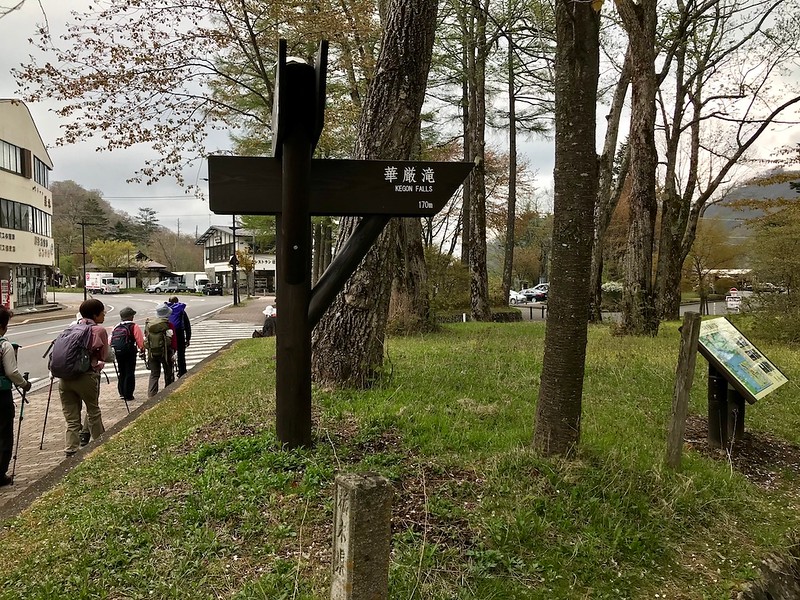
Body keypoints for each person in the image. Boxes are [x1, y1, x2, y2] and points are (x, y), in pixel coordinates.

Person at [60, 298, 109, 457]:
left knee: (72, 417)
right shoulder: (98, 330)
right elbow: (105, 355)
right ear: (95, 315)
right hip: (85, 376)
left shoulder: (71, 328)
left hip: (65, 378)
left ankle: (71, 450)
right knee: (93, 411)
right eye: (102, 312)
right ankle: (100, 445)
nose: (104, 315)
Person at [0, 307, 31, 485]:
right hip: (1, 396)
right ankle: (0, 473)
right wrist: (25, 384)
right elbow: (11, 372)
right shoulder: (4, 345)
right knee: (4, 433)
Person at [145, 303, 178, 398]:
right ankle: (168, 392)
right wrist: (174, 352)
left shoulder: (149, 324)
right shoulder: (169, 325)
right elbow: (173, 340)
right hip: (166, 352)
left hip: (152, 353)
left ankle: (151, 395)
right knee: (168, 372)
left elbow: (146, 338)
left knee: (154, 374)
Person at [112, 307, 144, 401]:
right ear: (130, 316)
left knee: (121, 371)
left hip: (118, 352)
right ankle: (128, 394)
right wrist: (142, 350)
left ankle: (121, 392)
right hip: (129, 352)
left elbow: (111, 340)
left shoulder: (116, 327)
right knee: (129, 372)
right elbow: (140, 341)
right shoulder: (134, 326)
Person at [166, 296, 192, 377]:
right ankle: (182, 372)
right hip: (179, 333)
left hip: (169, 334)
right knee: (181, 354)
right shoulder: (181, 311)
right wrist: (188, 338)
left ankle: (169, 374)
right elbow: (187, 326)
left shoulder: (165, 311)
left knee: (169, 353)